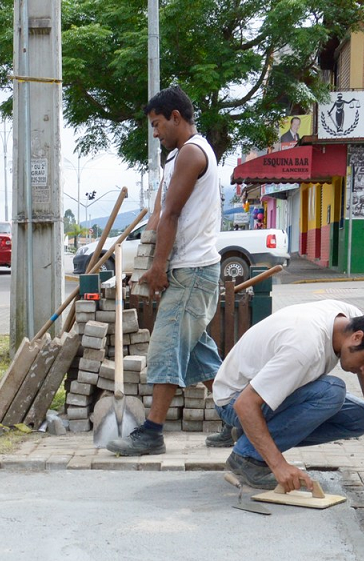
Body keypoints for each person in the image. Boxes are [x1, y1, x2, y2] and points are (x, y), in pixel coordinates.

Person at [106, 86, 223, 457]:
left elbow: (171, 214)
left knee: (165, 346)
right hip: (189, 269)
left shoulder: (192, 152)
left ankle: (152, 433)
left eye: (157, 124)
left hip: (193, 269)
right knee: (200, 356)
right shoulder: (175, 158)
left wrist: (159, 268)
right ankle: (241, 419)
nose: (155, 132)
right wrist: (144, 264)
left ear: (176, 117)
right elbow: (158, 214)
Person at [210, 300, 364, 495]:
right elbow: (245, 404)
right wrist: (279, 465)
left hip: (262, 396)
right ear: (357, 338)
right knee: (332, 391)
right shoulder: (304, 347)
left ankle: (253, 436)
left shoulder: (352, 320)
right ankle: (247, 458)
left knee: (360, 418)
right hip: (234, 400)